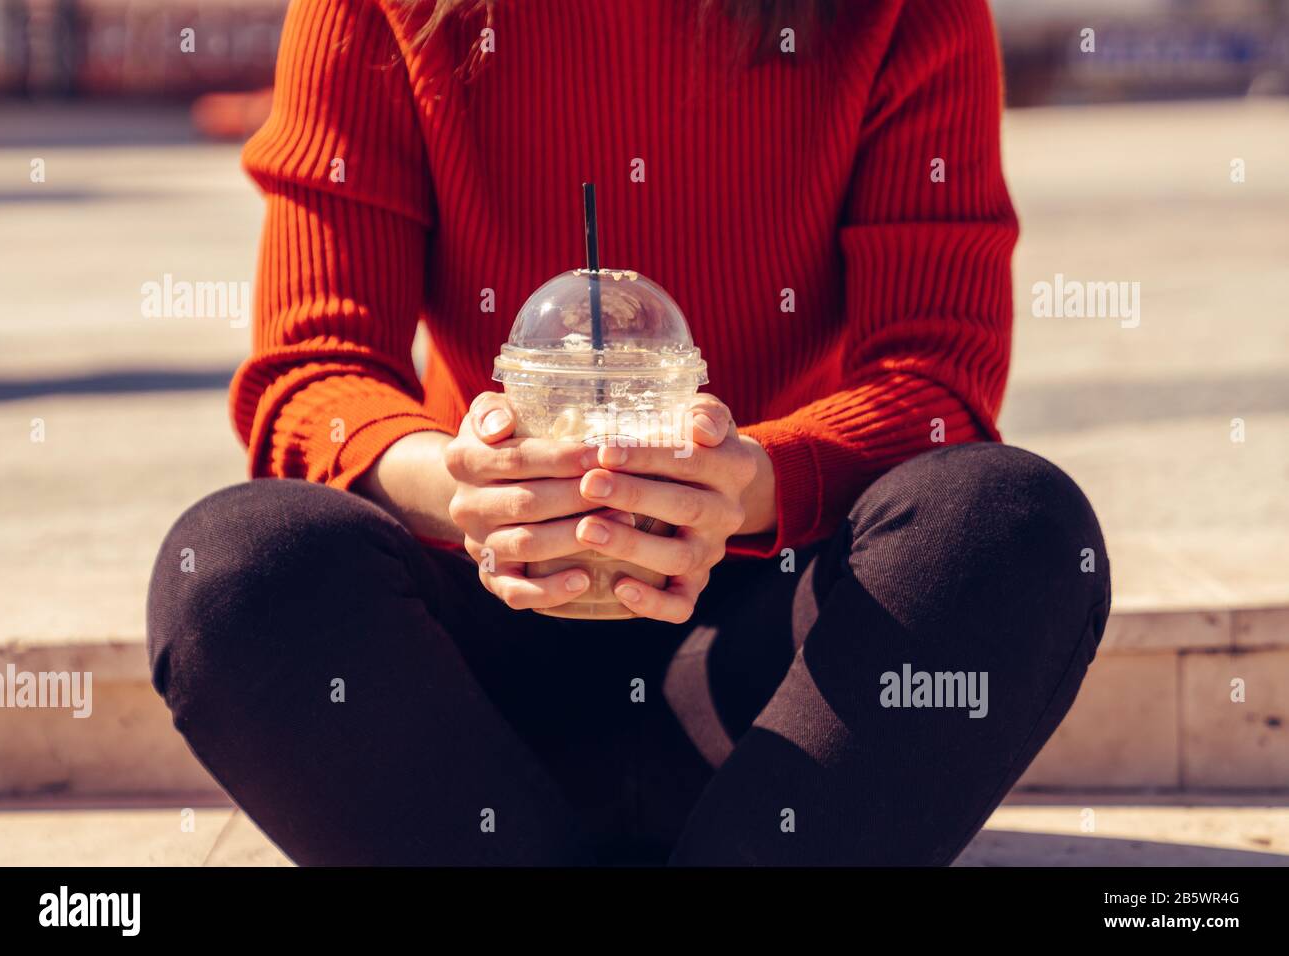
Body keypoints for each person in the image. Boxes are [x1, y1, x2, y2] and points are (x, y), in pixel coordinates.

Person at [147, 0, 1110, 865]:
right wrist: (477, 490)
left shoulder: (898, 11)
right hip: (483, 670)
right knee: (234, 570)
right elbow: (314, 372)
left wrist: (741, 484)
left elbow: (938, 379)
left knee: (1012, 526)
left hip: (777, 668)